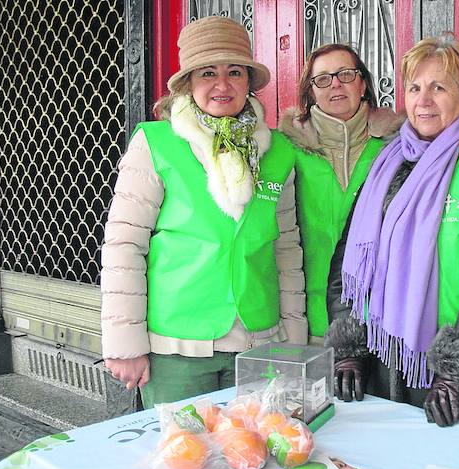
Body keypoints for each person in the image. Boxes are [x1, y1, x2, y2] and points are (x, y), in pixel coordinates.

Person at [324, 34, 459, 430]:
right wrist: (349, 347)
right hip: (387, 366)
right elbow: (348, 262)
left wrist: (458, 367)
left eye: (439, 87)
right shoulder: (384, 166)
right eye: (415, 87)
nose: (423, 100)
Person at [100, 16, 307, 408]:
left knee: (254, 458)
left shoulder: (278, 150)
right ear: (189, 83)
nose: (222, 85)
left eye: (235, 72)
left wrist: (293, 341)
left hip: (259, 344)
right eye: (208, 73)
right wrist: (125, 344)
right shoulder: (156, 143)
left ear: (249, 81)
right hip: (177, 349)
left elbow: (287, 250)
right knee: (184, 461)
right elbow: (125, 245)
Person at [278, 44, 402, 342]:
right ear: (311, 93)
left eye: (345, 74)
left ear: (363, 85)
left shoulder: (396, 147)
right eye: (322, 79)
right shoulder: (286, 151)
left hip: (383, 323)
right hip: (305, 322)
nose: (335, 84)